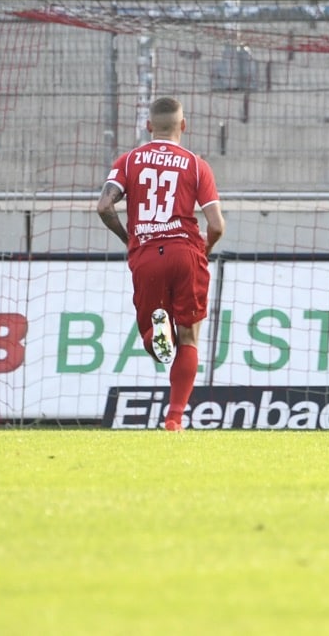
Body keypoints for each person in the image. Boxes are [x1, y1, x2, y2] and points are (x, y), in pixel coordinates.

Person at [97, 96, 225, 431]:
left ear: (148, 126)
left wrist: (130, 240)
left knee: (158, 345)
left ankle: (158, 331)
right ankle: (174, 418)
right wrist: (205, 249)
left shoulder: (128, 161)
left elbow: (104, 207)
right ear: (183, 125)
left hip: (147, 254)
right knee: (189, 337)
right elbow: (216, 225)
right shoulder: (197, 165)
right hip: (185, 252)